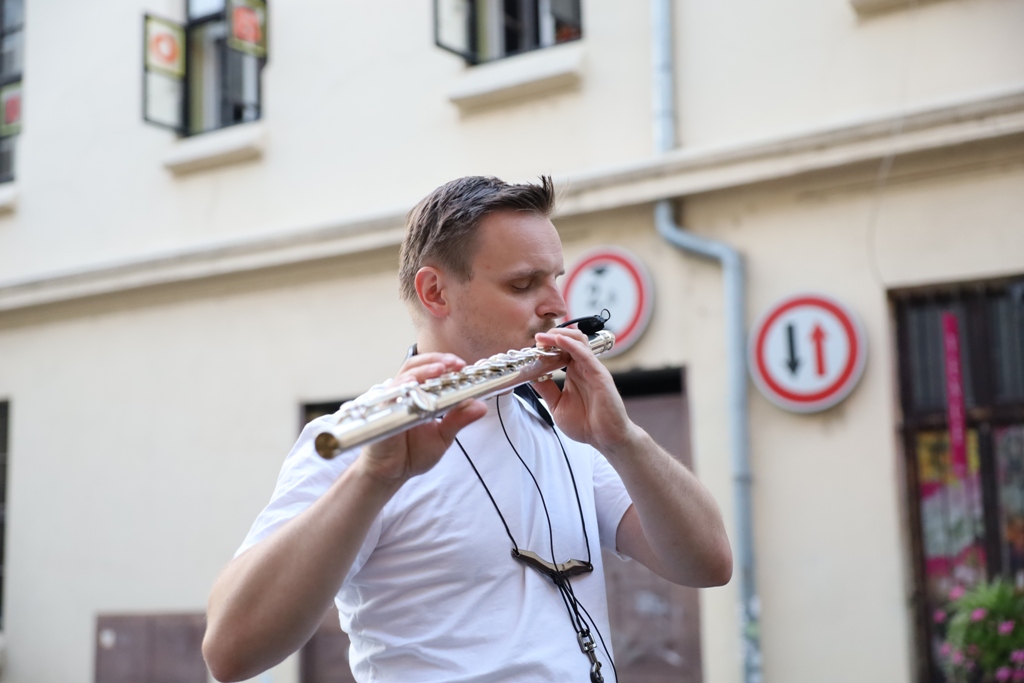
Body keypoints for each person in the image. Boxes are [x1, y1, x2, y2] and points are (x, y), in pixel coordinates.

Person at [202, 176, 732, 683]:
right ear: (435, 292)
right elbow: (230, 651)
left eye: (555, 279)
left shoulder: (564, 425)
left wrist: (623, 440)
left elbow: (708, 563)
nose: (557, 307)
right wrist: (372, 479)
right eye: (523, 284)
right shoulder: (363, 438)